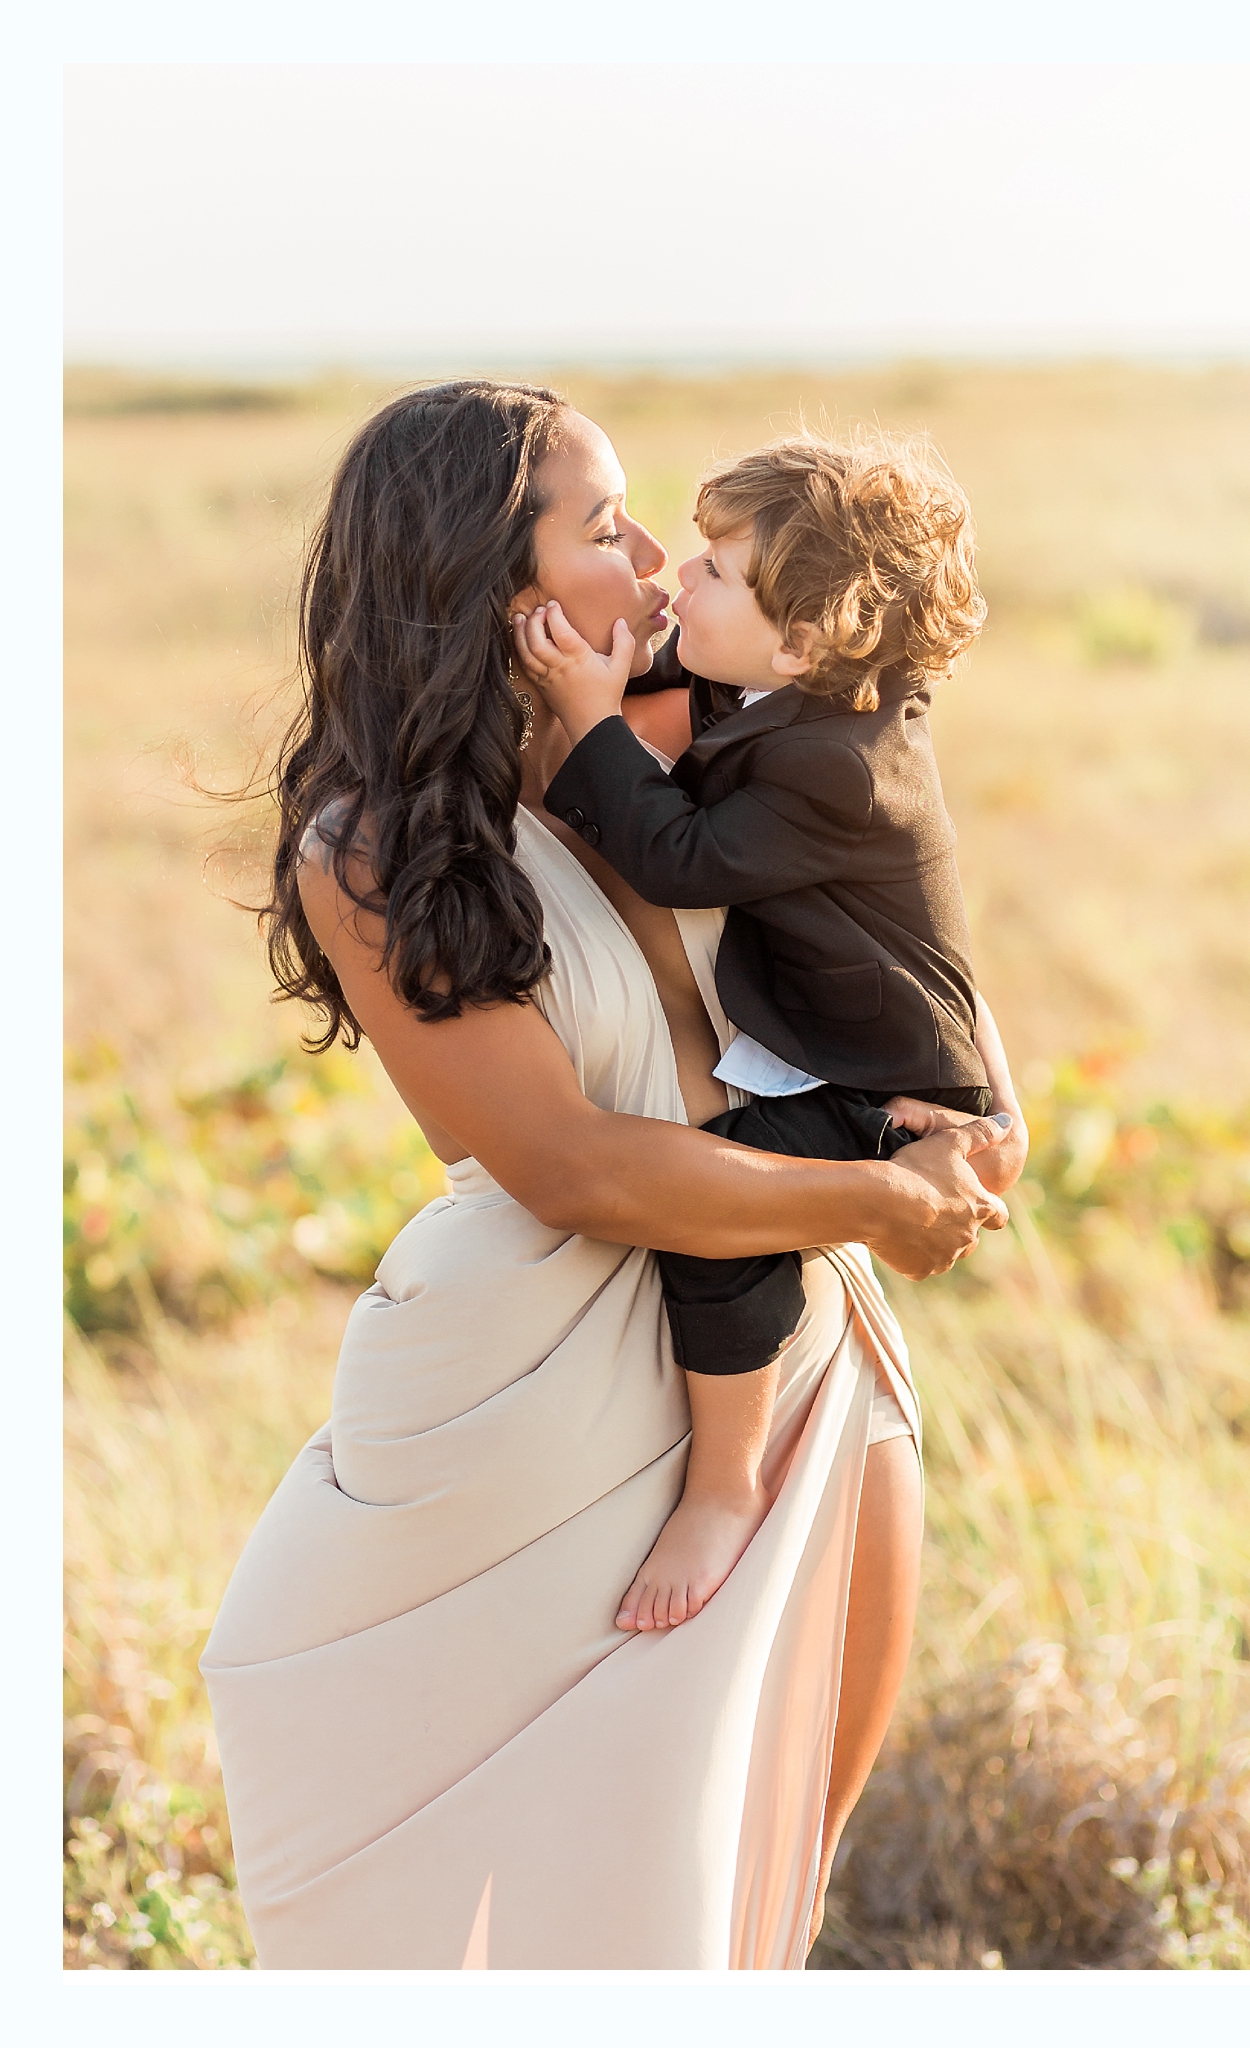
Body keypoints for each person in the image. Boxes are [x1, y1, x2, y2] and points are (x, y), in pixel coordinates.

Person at [199, 379, 1025, 1969]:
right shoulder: (374, 846)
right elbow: (571, 1167)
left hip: (784, 1343)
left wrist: (980, 1128)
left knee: (750, 1893)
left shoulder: (728, 716)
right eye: (602, 524)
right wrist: (873, 1201)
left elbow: (913, 943)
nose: (652, 556)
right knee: (441, 1912)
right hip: (525, 1391)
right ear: (495, 588)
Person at [515, 432, 1009, 1641]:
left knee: (725, 1217)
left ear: (804, 643)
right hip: (847, 1038)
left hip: (878, 1079)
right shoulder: (794, 693)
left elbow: (676, 858)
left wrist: (590, 720)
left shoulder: (840, 765)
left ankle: (726, 1479)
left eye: (719, 572)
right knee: (727, 1180)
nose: (679, 576)